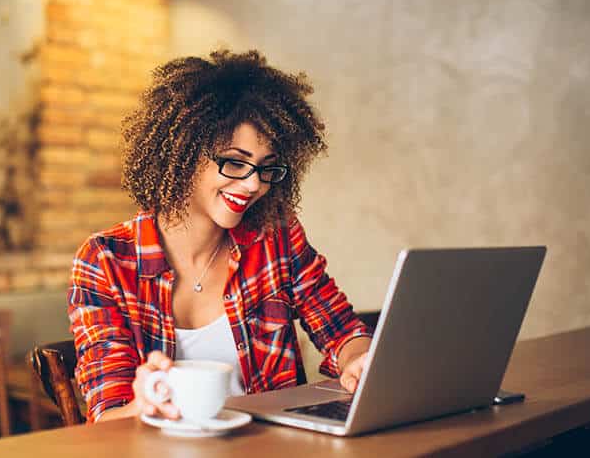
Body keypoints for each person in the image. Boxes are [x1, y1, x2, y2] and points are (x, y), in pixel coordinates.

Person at [68, 49, 372, 423]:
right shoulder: (106, 261)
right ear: (183, 151)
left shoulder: (275, 238)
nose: (252, 184)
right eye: (235, 162)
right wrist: (146, 405)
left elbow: (342, 330)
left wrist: (359, 358)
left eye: (266, 168)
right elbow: (108, 417)